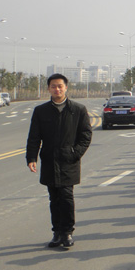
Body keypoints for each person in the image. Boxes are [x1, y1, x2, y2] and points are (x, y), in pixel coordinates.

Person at [25, 73, 92, 248]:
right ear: (49, 88)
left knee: (66, 196)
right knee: (54, 198)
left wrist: (75, 154)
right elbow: (34, 137)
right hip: (49, 159)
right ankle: (56, 233)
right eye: (53, 86)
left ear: (66, 87)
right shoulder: (41, 111)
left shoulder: (78, 110)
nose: (57, 89)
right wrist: (31, 157)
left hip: (68, 161)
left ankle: (67, 232)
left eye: (60, 86)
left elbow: (85, 136)